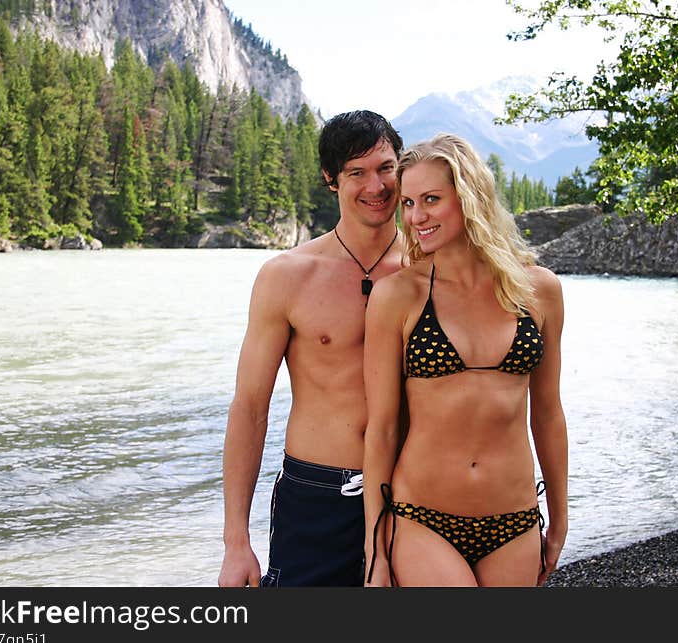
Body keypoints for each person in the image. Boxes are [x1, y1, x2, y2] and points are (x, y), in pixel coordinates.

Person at [362, 133, 568, 587]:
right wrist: (375, 549)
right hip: (422, 518)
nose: (417, 217)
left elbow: (548, 414)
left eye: (431, 199)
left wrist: (559, 517)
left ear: (469, 196)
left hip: (515, 520)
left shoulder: (539, 291)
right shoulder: (398, 295)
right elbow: (381, 428)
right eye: (409, 203)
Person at [217, 110, 405, 587]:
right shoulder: (288, 276)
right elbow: (250, 407)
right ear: (330, 179)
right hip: (317, 492)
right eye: (356, 173)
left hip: (413, 487)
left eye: (386, 167)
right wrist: (236, 541)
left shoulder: (432, 270)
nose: (376, 186)